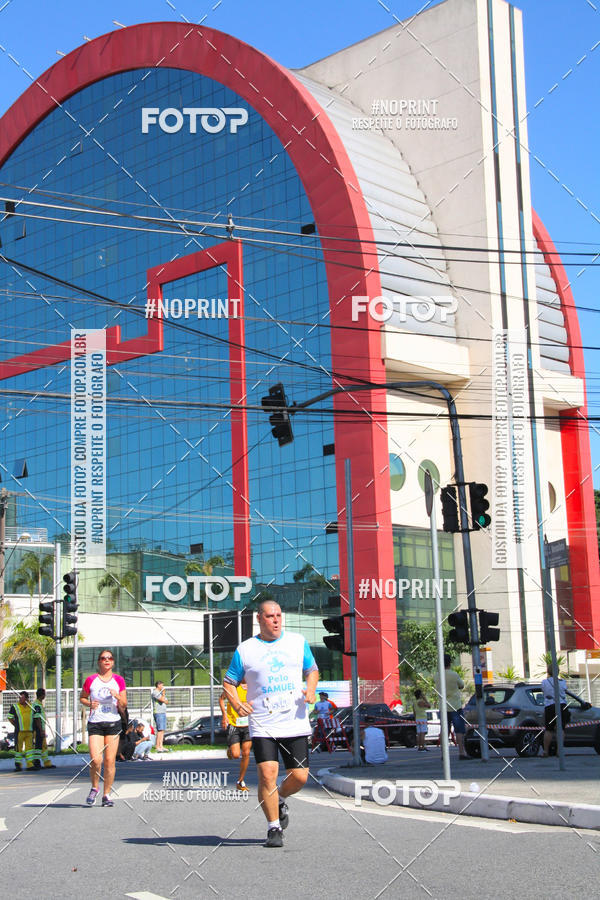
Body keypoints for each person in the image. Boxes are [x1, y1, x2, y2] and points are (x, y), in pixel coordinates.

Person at [223, 600, 318, 848]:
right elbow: (229, 682)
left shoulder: (297, 642)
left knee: (299, 776)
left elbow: (312, 670)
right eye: (270, 616)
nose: (276, 620)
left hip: (294, 720)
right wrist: (235, 703)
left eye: (278, 615)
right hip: (263, 722)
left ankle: (281, 797)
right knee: (267, 775)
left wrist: (310, 689)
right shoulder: (245, 650)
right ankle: (273, 828)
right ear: (259, 619)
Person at [80, 649, 127, 806]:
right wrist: (89, 703)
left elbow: (124, 704)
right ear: (99, 662)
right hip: (95, 724)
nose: (106, 660)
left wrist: (117, 696)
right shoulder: (91, 680)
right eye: (103, 658)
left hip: (113, 723)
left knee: (109, 760)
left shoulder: (118, 680)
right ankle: (95, 787)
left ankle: (107, 795)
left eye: (109, 658)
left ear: (113, 662)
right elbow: (82, 697)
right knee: (96, 759)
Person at [219, 681, 252, 791]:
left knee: (246, 753)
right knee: (236, 755)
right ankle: (230, 749)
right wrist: (224, 715)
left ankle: (240, 781)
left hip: (249, 725)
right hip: (234, 724)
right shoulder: (233, 687)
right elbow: (221, 699)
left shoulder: (253, 686)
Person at [435, 654, 467, 759]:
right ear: (450, 663)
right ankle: (461, 753)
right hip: (455, 706)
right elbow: (461, 685)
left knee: (444, 730)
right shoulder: (454, 674)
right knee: (459, 730)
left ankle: (443, 754)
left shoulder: (437, 675)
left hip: (443, 707)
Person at [541, 667, 570, 757]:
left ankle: (546, 751)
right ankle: (559, 751)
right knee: (560, 729)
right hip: (561, 705)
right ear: (558, 672)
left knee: (549, 729)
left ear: (548, 671)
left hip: (550, 706)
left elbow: (544, 691)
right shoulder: (562, 682)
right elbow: (564, 691)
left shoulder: (545, 682)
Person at [8, 690, 35, 771]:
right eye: (19, 697)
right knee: (18, 749)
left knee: (29, 750)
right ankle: (18, 766)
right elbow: (9, 717)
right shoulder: (15, 706)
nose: (20, 699)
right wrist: (15, 725)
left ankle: (30, 765)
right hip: (19, 732)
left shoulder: (32, 706)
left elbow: (36, 717)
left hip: (29, 731)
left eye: (22, 698)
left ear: (26, 699)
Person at [32, 688, 56, 769]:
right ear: (42, 695)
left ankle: (46, 763)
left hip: (41, 728)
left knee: (43, 746)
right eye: (44, 694)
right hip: (38, 729)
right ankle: (37, 762)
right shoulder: (37, 705)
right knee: (38, 747)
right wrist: (41, 730)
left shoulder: (38, 704)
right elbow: (37, 718)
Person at [151, 681, 168, 752]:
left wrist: (163, 696)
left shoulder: (161, 693)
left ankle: (161, 745)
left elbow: (166, 701)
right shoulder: (155, 692)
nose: (163, 687)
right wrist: (163, 694)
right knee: (160, 729)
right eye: (162, 685)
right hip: (158, 712)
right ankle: (157, 746)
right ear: (158, 685)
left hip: (163, 712)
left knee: (163, 730)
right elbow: (162, 699)